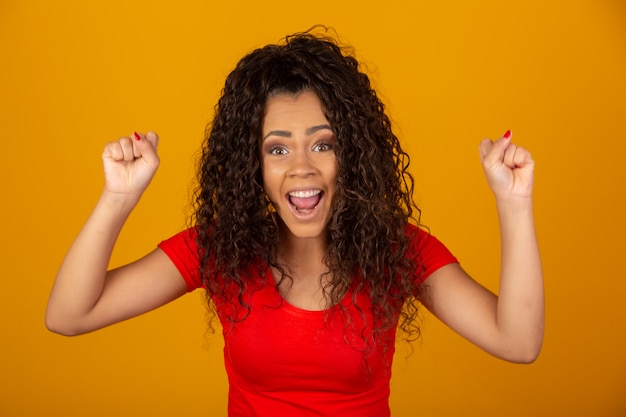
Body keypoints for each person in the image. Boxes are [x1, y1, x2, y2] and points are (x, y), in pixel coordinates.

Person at [46, 29, 544, 417]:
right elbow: (68, 315)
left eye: (323, 144)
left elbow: (518, 342)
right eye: (277, 148)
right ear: (254, 165)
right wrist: (118, 196)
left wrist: (514, 201)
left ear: (351, 155)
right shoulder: (223, 248)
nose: (301, 167)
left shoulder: (395, 250)